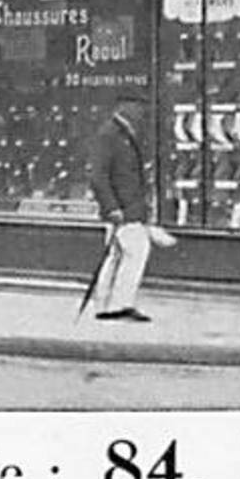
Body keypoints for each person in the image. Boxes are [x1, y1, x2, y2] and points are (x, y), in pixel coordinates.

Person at [87, 91, 154, 323]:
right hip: (123, 210)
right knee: (135, 252)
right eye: (137, 104)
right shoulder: (110, 134)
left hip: (128, 208)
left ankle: (105, 305)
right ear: (123, 106)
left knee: (115, 256)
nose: (141, 110)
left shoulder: (125, 132)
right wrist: (112, 206)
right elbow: (98, 176)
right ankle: (120, 305)